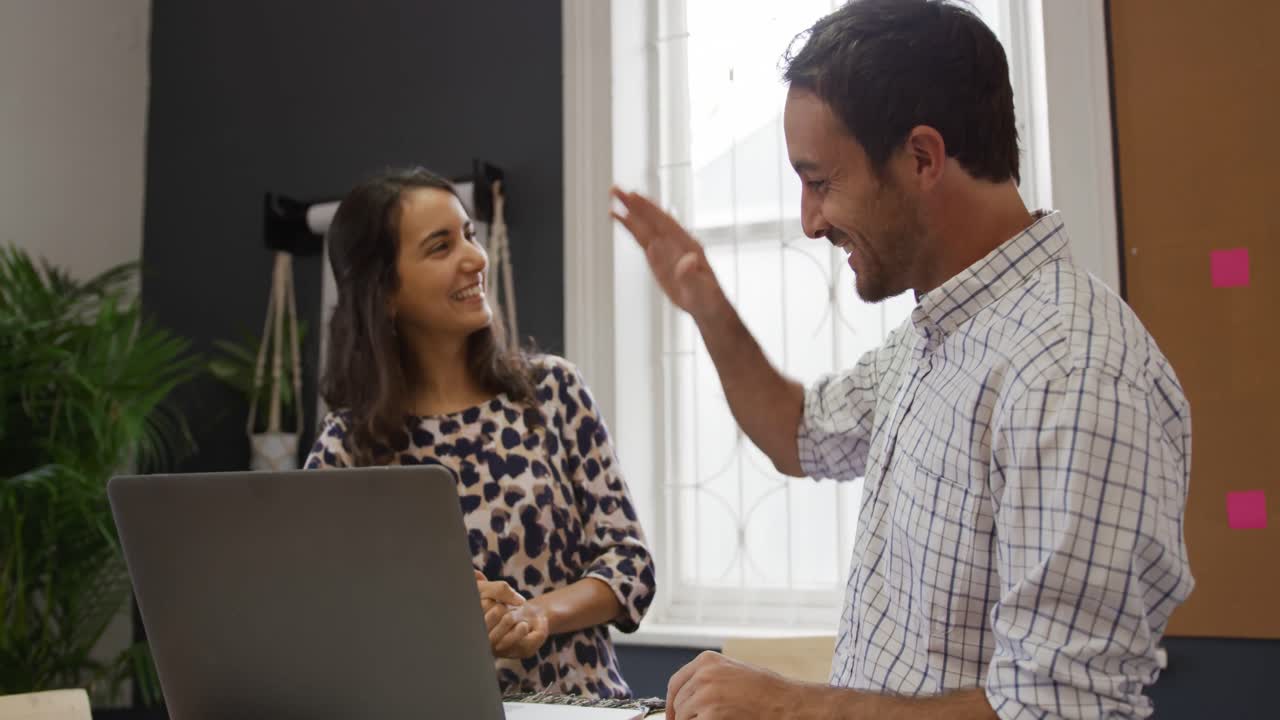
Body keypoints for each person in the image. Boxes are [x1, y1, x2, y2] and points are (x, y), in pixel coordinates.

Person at [610, 1, 1192, 718]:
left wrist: (794, 708)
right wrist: (703, 297)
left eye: (821, 181)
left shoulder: (1071, 375)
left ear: (922, 157)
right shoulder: (936, 335)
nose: (808, 219)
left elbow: (1055, 710)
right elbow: (797, 432)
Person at [306, 167, 654, 699]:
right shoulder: (347, 447)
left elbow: (630, 565)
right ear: (385, 294)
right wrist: (443, 614)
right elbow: (327, 615)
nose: (476, 258)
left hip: (582, 707)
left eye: (469, 234)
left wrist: (534, 615)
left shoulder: (552, 391)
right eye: (440, 246)